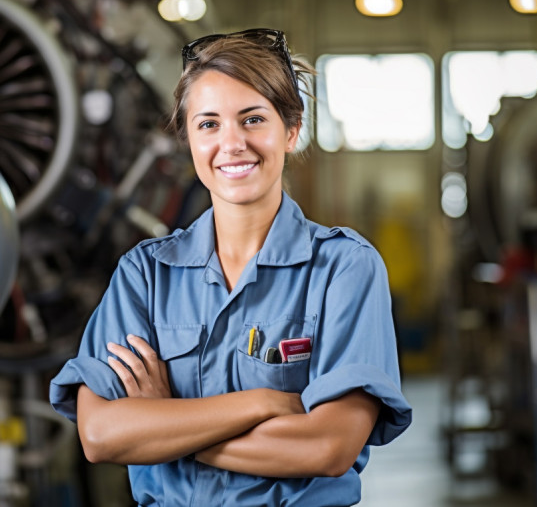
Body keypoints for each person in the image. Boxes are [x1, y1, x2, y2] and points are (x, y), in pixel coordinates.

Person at [50, 28, 412, 506]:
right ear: (187, 138)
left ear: (292, 129)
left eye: (253, 119)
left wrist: (168, 425)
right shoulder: (145, 276)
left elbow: (328, 446)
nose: (233, 143)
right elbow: (102, 436)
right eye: (208, 124)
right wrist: (261, 404)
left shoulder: (343, 269)